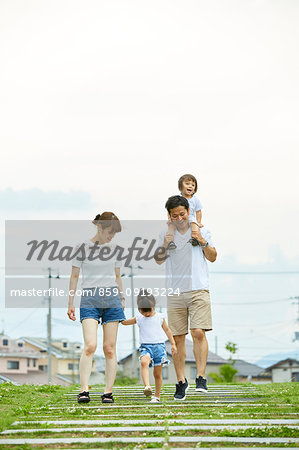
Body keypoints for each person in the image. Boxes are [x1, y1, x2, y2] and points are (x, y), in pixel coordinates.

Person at [154, 195, 217, 400]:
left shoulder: (201, 230)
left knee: (198, 332)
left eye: (182, 214)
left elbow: (213, 256)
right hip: (175, 291)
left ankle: (200, 377)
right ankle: (181, 381)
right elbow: (158, 260)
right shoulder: (165, 234)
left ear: (188, 212)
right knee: (178, 338)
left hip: (199, 289)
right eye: (175, 215)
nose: (179, 218)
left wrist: (202, 241)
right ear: (169, 217)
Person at [67, 212, 126, 404]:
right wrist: (70, 303)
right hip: (89, 299)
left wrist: (122, 297)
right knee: (90, 345)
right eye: (109, 232)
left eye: (114, 234)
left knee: (109, 348)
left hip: (112, 299)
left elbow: (117, 276)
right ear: (99, 228)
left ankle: (108, 391)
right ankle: (84, 390)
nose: (111, 237)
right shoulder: (82, 248)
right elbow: (74, 276)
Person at [121, 289, 177, 403]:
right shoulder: (139, 318)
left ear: (154, 305)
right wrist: (120, 311)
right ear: (139, 308)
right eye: (143, 311)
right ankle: (147, 386)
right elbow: (124, 322)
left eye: (149, 311)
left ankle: (156, 396)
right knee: (144, 362)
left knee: (157, 374)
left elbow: (167, 330)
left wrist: (173, 343)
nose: (146, 314)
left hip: (159, 348)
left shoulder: (160, 317)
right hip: (146, 347)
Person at [167, 174, 203, 250]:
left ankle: (194, 238)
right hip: (178, 217)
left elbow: (198, 211)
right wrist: (170, 219)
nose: (190, 186)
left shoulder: (195, 199)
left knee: (194, 224)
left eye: (193, 185)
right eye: (187, 184)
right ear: (180, 187)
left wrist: (198, 222)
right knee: (171, 226)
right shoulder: (177, 198)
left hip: (190, 217)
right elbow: (170, 209)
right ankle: (171, 242)